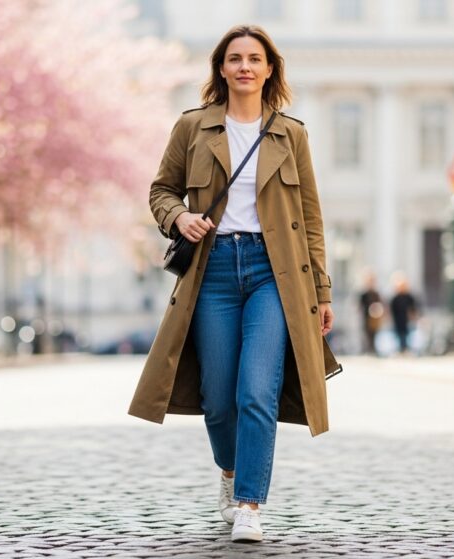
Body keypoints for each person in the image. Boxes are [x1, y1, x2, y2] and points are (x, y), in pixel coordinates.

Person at [128, 24, 339, 543]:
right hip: (213, 271)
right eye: (235, 58)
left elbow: (310, 219)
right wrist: (180, 218)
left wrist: (322, 291)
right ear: (221, 69)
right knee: (218, 397)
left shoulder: (292, 134)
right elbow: (161, 191)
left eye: (255, 58)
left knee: (256, 391)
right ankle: (229, 472)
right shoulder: (193, 128)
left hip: (275, 274)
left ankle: (249, 503)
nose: (245, 66)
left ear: (270, 69)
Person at [389, 272, 419, 354]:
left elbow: (414, 308)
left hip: (407, 320)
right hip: (397, 320)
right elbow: (391, 309)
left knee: (407, 334)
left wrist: (414, 316)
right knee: (399, 335)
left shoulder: (409, 297)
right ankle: (401, 349)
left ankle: (406, 348)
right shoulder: (395, 298)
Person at [357, 271, 384, 355]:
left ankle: (373, 349)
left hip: (375, 317)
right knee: (366, 333)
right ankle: (367, 349)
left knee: (374, 333)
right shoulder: (363, 294)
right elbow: (359, 305)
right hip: (365, 316)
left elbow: (380, 304)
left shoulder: (376, 293)